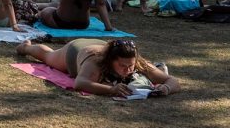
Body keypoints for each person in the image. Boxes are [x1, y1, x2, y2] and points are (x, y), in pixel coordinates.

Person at [16, 39, 179, 98]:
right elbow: (80, 83)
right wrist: (111, 90)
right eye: (122, 66)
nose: (128, 70)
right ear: (111, 60)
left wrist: (166, 88)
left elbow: (172, 81)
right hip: (76, 51)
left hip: (100, 43)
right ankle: (25, 47)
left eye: (131, 66)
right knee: (49, 57)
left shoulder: (136, 62)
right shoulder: (96, 62)